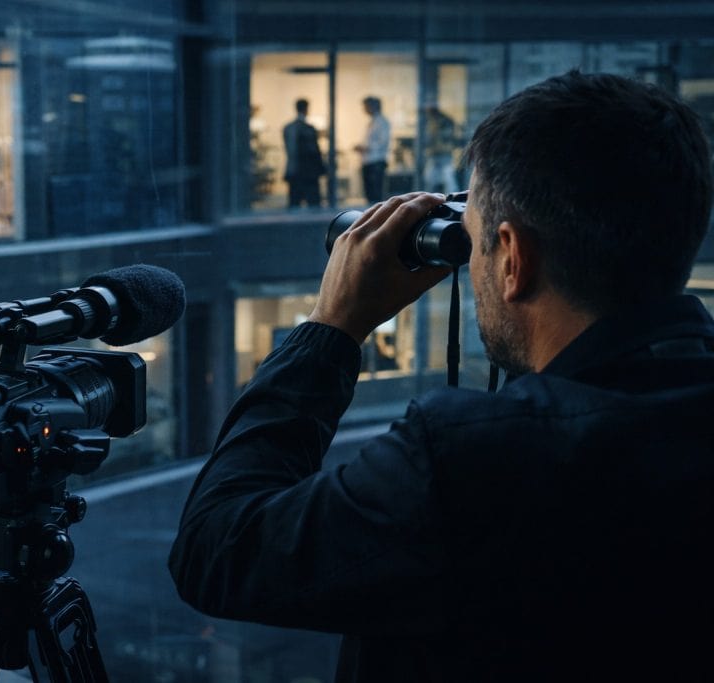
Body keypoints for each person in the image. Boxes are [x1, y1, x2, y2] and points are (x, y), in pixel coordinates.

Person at [169, 71, 714, 681]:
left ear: (513, 258)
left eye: (475, 239)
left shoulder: (475, 460)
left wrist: (331, 327)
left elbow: (216, 550)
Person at [282, 98, 326, 208]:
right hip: (308, 172)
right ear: (306, 109)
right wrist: (321, 168)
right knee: (313, 204)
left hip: (295, 170)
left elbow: (289, 150)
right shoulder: (308, 129)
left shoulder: (288, 128)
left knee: (295, 203)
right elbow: (314, 151)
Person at [354, 96, 391, 203]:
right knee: (370, 194)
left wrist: (365, 147)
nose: (364, 109)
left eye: (365, 106)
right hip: (369, 161)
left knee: (375, 195)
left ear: (373, 106)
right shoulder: (373, 122)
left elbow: (383, 142)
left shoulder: (382, 122)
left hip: (376, 162)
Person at [423, 105, 459, 194]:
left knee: (449, 181)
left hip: (444, 154)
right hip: (435, 154)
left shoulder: (445, 121)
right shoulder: (431, 122)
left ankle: (452, 199)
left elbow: (447, 138)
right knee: (430, 179)